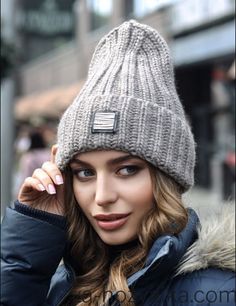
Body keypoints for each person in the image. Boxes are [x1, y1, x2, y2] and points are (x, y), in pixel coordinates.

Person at [1, 20, 235, 306]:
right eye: (85, 172)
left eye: (126, 169)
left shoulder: (216, 292)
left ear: (167, 175)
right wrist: (31, 250)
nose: (102, 196)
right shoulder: (68, 280)